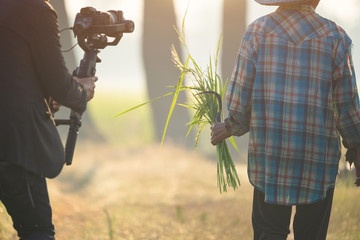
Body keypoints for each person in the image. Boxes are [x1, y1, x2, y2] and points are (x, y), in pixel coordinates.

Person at [211, 0, 360, 239]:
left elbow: (240, 101)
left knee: (269, 231)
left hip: (269, 159)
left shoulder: (257, 32)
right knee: (311, 234)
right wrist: (355, 146)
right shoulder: (336, 37)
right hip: (317, 162)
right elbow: (348, 106)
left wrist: (228, 127)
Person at [0, 0, 97, 239]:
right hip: (15, 146)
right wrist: (82, 91)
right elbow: (58, 84)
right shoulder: (34, 9)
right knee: (36, 231)